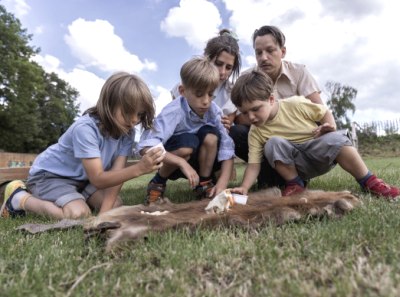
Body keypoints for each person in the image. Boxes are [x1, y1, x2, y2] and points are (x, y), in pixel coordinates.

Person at [0, 72, 164, 220]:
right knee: (79, 214)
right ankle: (18, 198)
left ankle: (75, 197)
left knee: (114, 206)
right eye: (128, 112)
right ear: (109, 104)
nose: (135, 120)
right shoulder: (85, 129)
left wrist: (103, 216)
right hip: (50, 176)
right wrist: (139, 168)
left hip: (83, 181)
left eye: (140, 114)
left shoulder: (127, 133)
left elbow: (116, 175)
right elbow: (98, 179)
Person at [230, 70, 400, 200]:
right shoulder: (256, 131)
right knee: (272, 144)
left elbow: (323, 112)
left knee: (338, 139)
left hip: (317, 151)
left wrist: (330, 127)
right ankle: (295, 185)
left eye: (255, 109)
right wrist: (244, 187)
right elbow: (253, 165)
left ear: (270, 99)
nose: (251, 117)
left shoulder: (295, 104)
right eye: (245, 112)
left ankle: (369, 181)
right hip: (296, 164)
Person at [229, 25, 323, 188]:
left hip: (296, 140)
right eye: (259, 52)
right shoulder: (245, 79)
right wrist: (261, 116)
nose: (264, 57)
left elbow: (319, 110)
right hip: (262, 137)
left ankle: (294, 173)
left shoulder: (299, 72)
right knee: (237, 132)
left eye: (270, 50)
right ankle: (268, 174)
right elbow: (239, 118)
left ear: (283, 51)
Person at [138, 57, 235, 204]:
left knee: (211, 136)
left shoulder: (214, 111)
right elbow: (147, 146)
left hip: (202, 160)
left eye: (210, 94)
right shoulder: (173, 111)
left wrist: (222, 184)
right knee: (187, 144)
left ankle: (204, 184)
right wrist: (181, 163)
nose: (206, 101)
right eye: (199, 94)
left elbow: (227, 148)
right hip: (174, 161)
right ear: (182, 91)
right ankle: (157, 182)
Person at [171, 29, 241, 131]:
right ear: (207, 58)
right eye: (218, 63)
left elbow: (226, 129)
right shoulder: (184, 86)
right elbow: (172, 119)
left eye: (228, 67)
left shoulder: (232, 94)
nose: (222, 72)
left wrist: (226, 126)